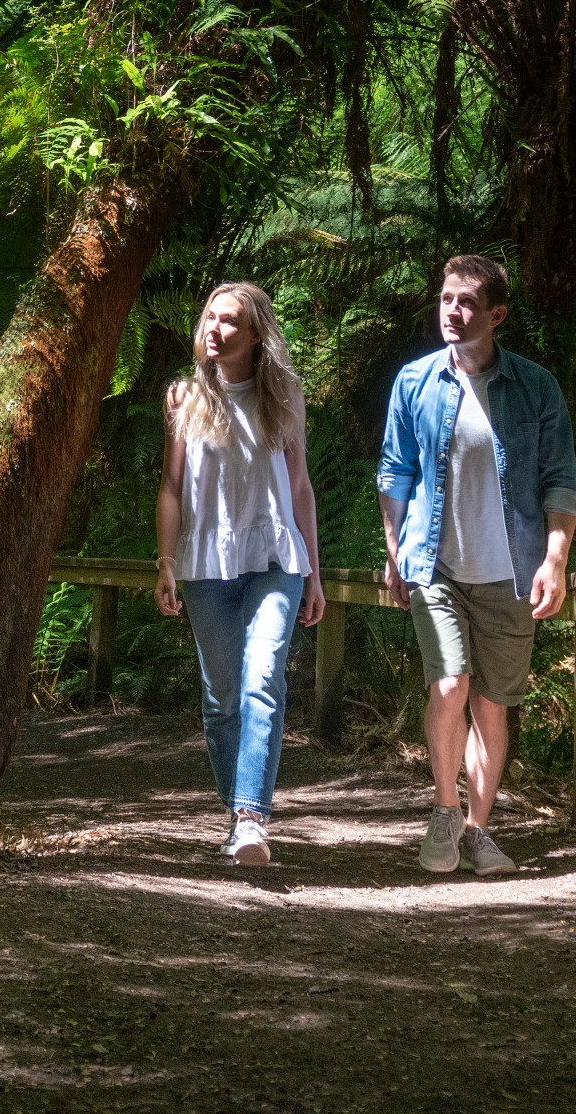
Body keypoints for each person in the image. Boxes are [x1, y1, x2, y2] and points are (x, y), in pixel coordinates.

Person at [377, 254, 576, 875]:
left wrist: (555, 559)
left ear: (496, 315)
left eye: (466, 302)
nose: (452, 311)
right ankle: (443, 809)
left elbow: (560, 479)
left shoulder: (535, 387)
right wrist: (392, 548)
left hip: (512, 573)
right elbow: (395, 470)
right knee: (450, 685)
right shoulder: (414, 383)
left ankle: (477, 828)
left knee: (491, 705)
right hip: (434, 565)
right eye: (445, 299)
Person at [153, 281, 325, 867]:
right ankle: (237, 812)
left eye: (229, 322)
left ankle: (251, 817)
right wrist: (166, 563)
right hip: (205, 565)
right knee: (222, 697)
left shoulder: (284, 396)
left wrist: (317, 576)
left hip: (277, 558)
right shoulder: (183, 399)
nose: (214, 330)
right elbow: (173, 487)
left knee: (262, 680)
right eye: (209, 318)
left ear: (255, 335)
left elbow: (300, 488)